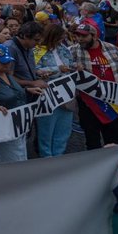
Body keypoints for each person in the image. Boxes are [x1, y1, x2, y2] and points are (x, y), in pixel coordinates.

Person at [70, 23, 118, 150]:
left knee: (114, 140)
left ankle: (115, 169)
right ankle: (96, 168)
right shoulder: (73, 51)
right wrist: (73, 68)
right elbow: (64, 71)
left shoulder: (112, 49)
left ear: (95, 36)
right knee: (92, 142)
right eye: (77, 36)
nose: (80, 39)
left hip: (114, 101)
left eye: (84, 36)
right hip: (88, 103)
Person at [0, 45, 34, 163]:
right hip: (4, 131)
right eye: (2, 62)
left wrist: (27, 90)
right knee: (12, 164)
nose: (7, 64)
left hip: (20, 127)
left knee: (21, 158)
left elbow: (14, 93)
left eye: (8, 61)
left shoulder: (7, 74)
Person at [34, 24, 75, 157]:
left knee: (63, 129)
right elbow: (35, 70)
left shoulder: (63, 48)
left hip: (66, 91)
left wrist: (75, 66)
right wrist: (57, 69)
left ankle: (59, 156)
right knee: (46, 130)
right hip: (48, 94)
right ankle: (47, 158)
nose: (61, 41)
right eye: (59, 38)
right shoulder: (38, 50)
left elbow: (70, 62)